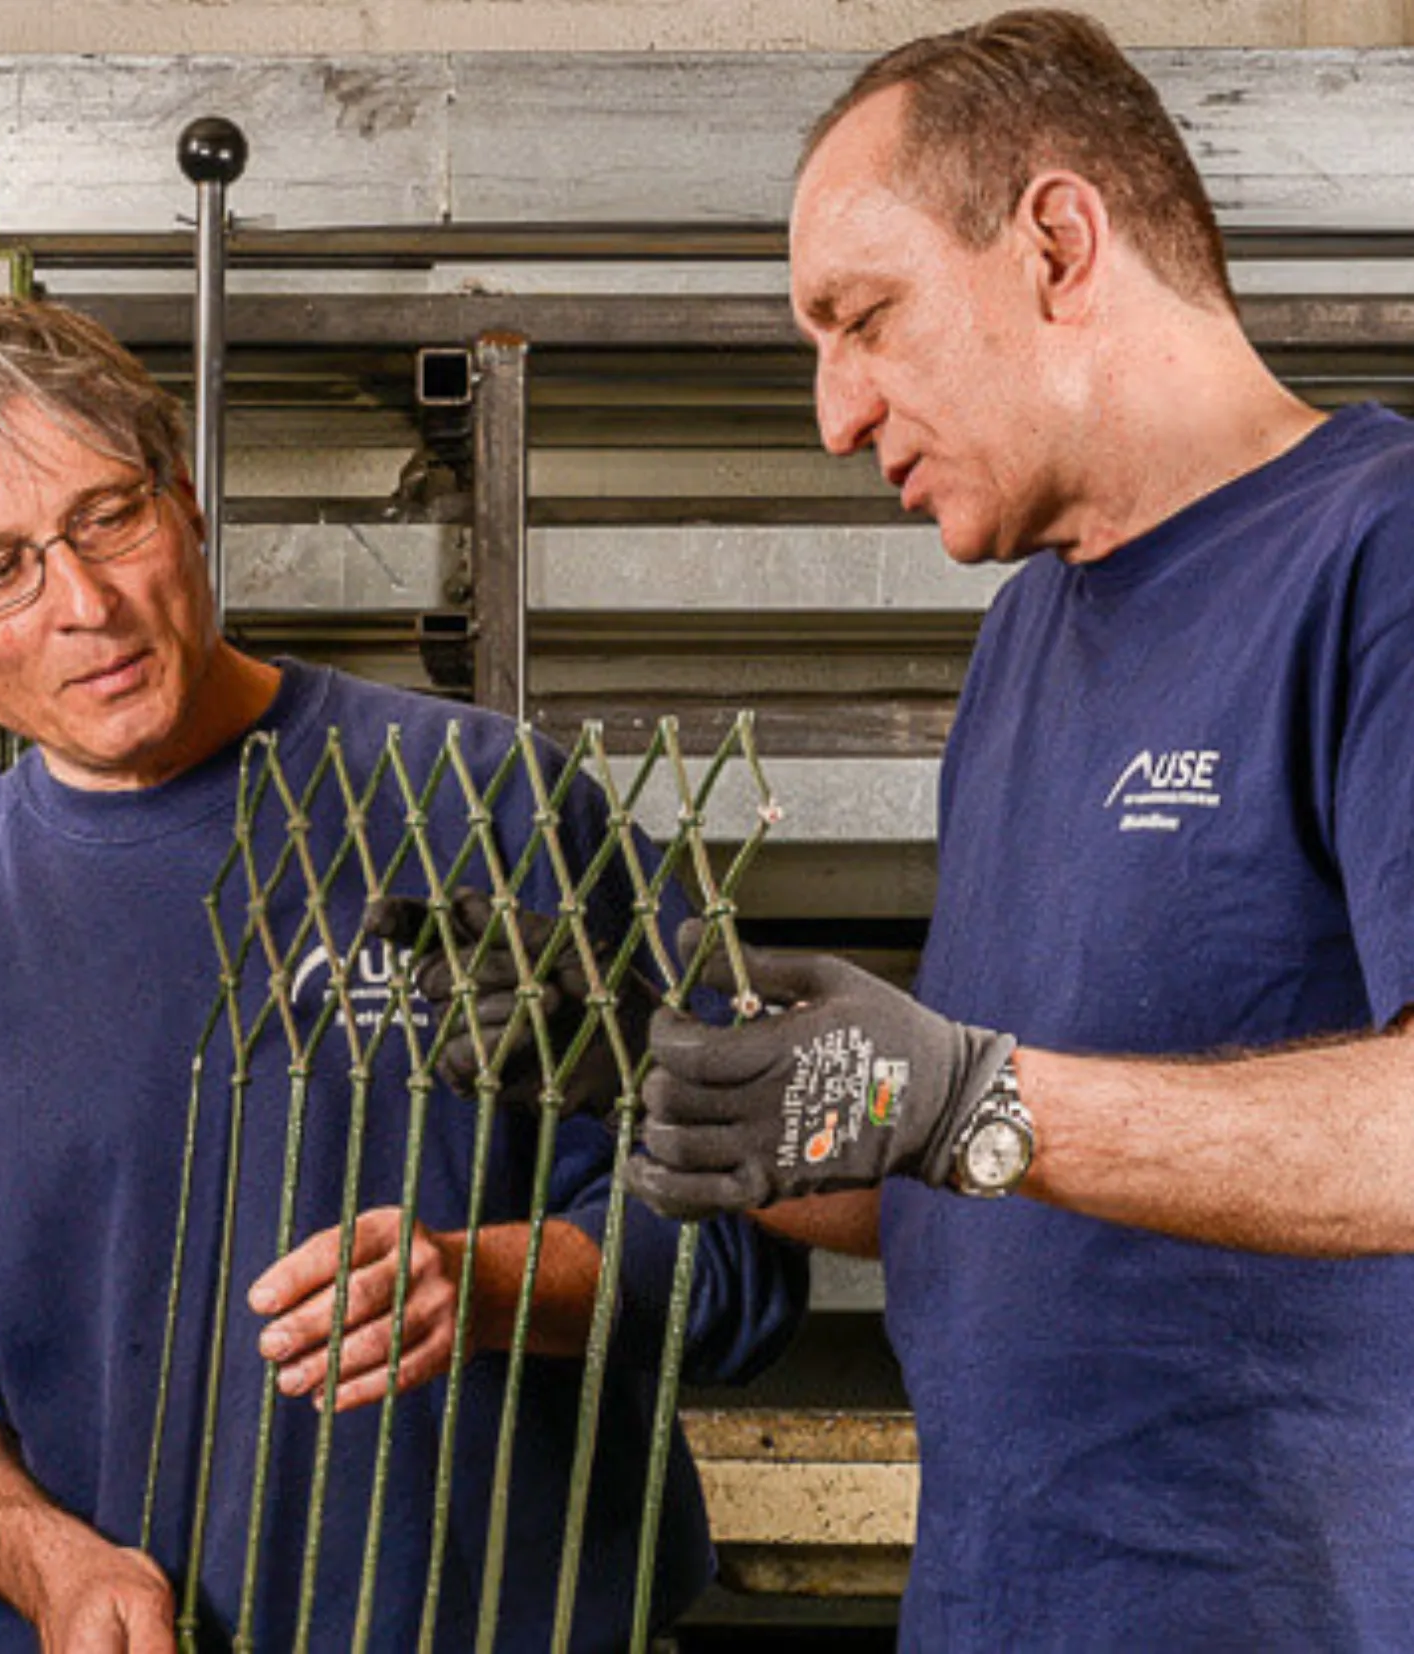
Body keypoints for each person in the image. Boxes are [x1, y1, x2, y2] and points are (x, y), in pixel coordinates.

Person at [0, 296, 806, 1652]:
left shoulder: (487, 810)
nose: (84, 604)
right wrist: (46, 1565)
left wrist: (487, 1280)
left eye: (110, 517)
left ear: (190, 502)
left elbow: (735, 1252)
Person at [624, 10, 1414, 1650]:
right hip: (1000, 1597)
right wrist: (688, 1088)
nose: (834, 414)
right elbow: (998, 1167)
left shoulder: (1376, 556)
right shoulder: (1025, 639)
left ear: (1056, 240)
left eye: (862, 317)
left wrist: (960, 1092)